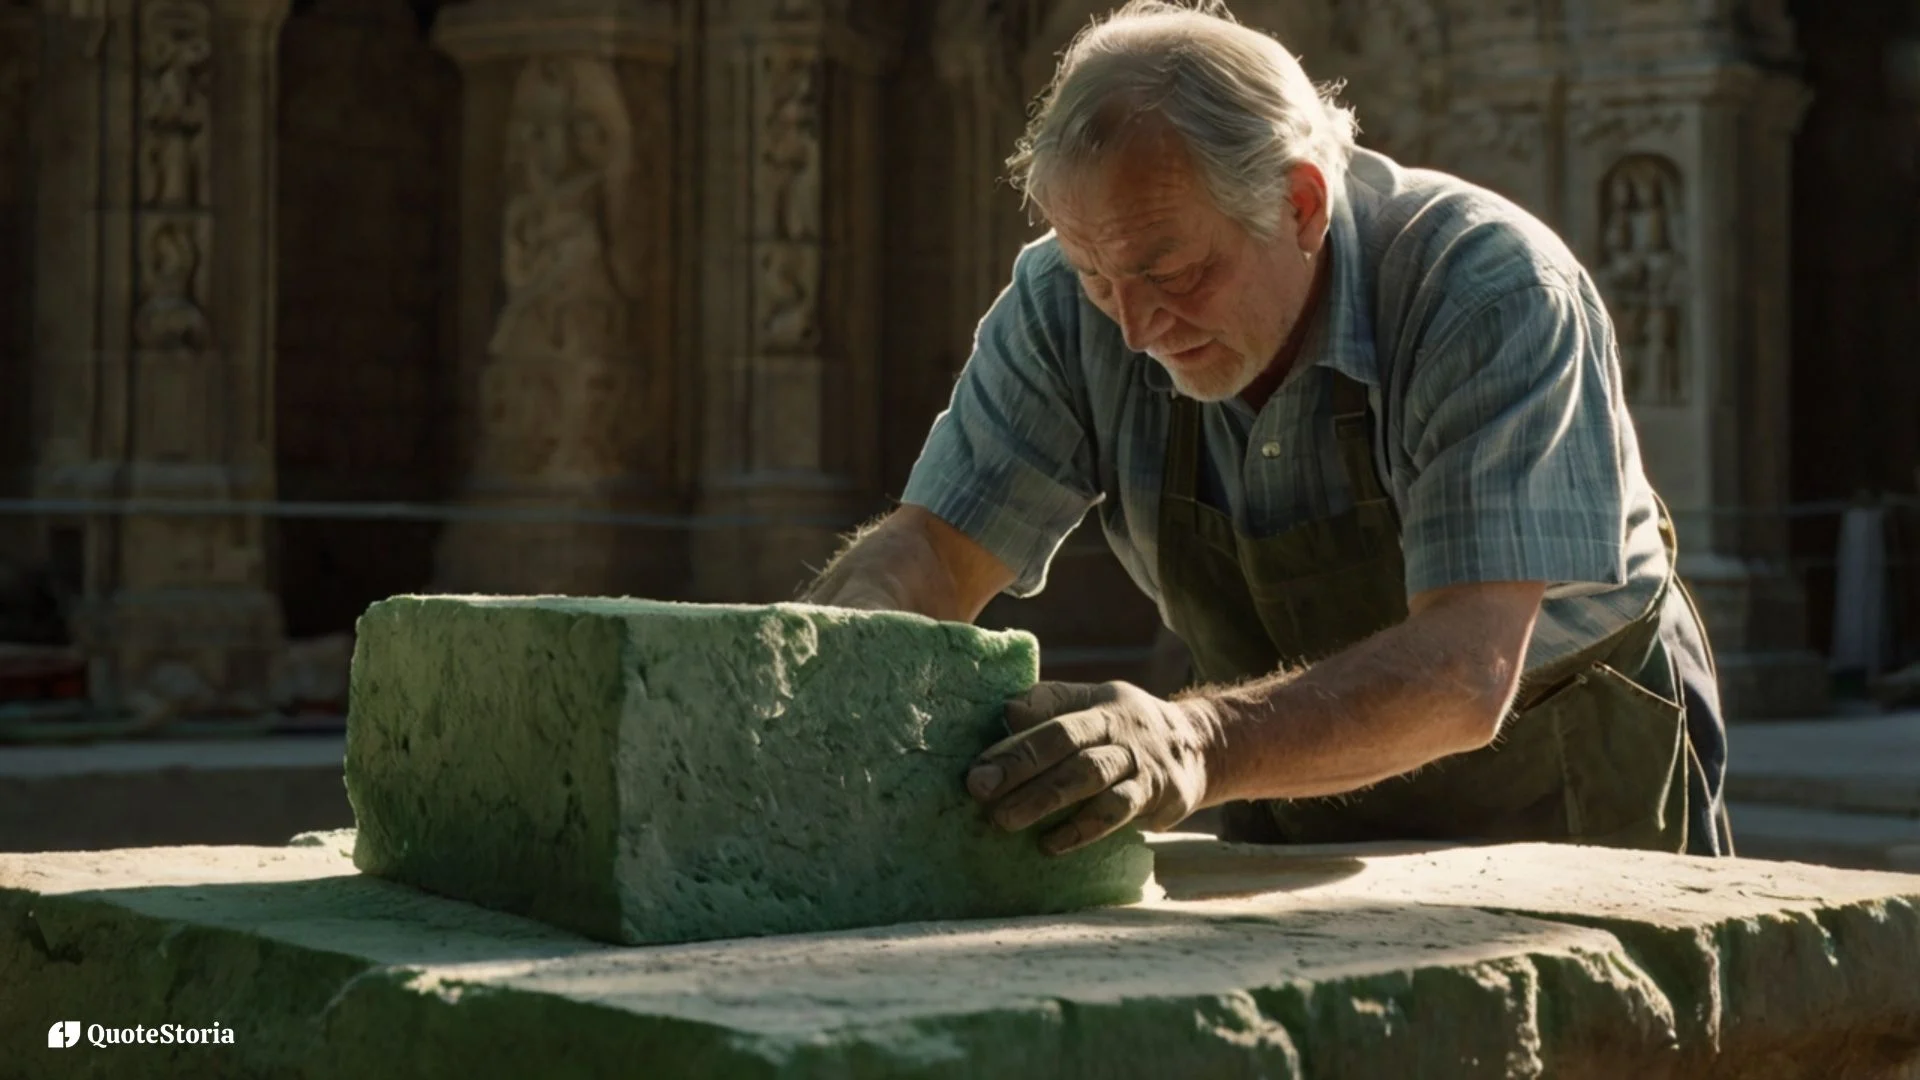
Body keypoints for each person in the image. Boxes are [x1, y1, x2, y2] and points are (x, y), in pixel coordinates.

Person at [802, 0, 1732, 858]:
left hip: (1555, 771)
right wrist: (828, 660)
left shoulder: (1489, 291)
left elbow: (1464, 667)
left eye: (1172, 274)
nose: (1132, 326)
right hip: (1278, 762)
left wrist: (1194, 737)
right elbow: (933, 550)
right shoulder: (1067, 301)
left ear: (1300, 206)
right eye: (1096, 273)